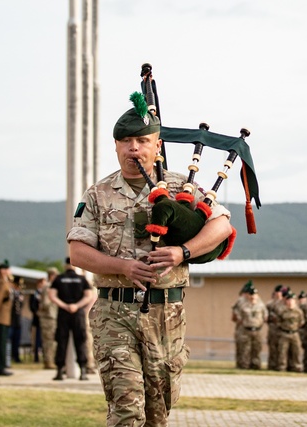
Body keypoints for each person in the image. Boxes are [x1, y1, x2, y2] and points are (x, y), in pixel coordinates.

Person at [67, 96, 232, 427]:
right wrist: (123, 267)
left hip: (165, 315)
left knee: (158, 414)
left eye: (142, 141)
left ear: (157, 146)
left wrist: (180, 252)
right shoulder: (98, 194)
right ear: (116, 147)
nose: (134, 149)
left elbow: (222, 226)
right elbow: (77, 252)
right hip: (114, 314)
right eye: (126, 141)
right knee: (126, 410)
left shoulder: (180, 188)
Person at [49, 260, 96, 381]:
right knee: (80, 341)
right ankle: (83, 371)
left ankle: (59, 371)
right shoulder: (82, 279)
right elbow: (88, 295)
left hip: (63, 313)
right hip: (78, 313)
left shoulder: (59, 279)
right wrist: (76, 305)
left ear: (65, 266)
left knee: (61, 341)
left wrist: (65, 305)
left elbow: (52, 295)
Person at [234, 286, 267, 370]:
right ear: (247, 295)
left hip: (257, 330)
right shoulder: (242, 305)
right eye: (251, 294)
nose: (253, 296)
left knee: (257, 349)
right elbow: (237, 317)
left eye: (254, 294)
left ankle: (256, 366)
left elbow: (265, 316)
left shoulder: (261, 305)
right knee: (245, 350)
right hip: (246, 330)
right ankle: (244, 366)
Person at [0, 260, 14, 376]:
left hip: (4, 317)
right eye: (7, 269)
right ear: (2, 271)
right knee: (0, 343)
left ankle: (2, 366)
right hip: (0, 316)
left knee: (3, 342)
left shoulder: (6, 282)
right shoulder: (1, 282)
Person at [275, 289, 304, 372]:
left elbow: (301, 322)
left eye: (292, 300)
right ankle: (282, 367)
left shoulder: (299, 312)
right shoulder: (282, 311)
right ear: (286, 301)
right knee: (282, 351)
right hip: (284, 333)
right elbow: (278, 321)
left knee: (297, 351)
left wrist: (294, 327)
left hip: (295, 333)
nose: (290, 302)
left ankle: (297, 367)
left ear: (295, 301)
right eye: (289, 300)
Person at [38, 268, 59, 369]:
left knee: (51, 340)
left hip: (51, 317)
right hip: (49, 317)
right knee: (49, 340)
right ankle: (49, 361)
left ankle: (49, 360)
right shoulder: (48, 286)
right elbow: (46, 303)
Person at [9, 276, 24, 364]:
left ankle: (16, 355)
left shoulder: (20, 293)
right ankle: (10, 355)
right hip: (11, 318)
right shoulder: (12, 292)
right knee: (10, 338)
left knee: (17, 339)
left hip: (18, 318)